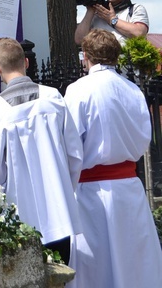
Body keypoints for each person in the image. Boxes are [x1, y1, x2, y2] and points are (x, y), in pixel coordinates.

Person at [64, 29, 162, 288]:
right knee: (133, 263)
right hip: (129, 190)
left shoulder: (78, 90)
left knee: (96, 267)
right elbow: (144, 139)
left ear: (85, 56)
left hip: (91, 194)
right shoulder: (132, 90)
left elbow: (70, 145)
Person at [0, 38, 82, 264]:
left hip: (19, 214)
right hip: (59, 211)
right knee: (61, 275)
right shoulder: (53, 98)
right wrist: (64, 188)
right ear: (26, 62)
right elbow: (74, 153)